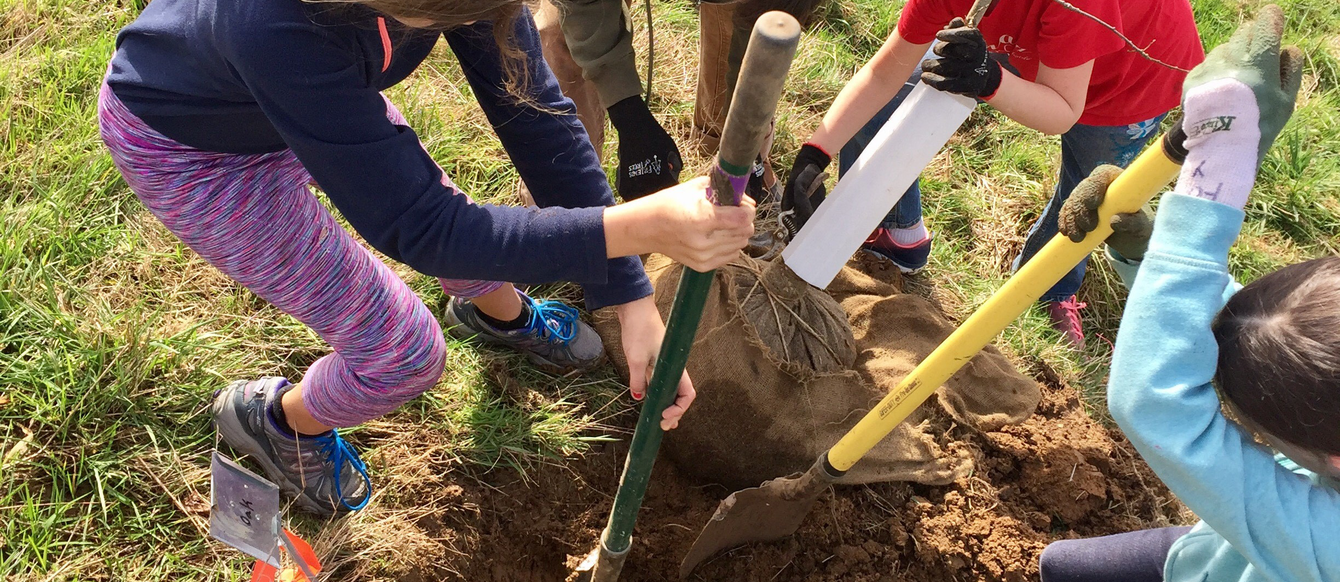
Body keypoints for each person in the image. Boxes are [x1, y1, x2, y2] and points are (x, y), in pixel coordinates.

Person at [100, 0, 756, 516]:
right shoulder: (271, 24)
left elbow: (533, 113)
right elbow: (422, 228)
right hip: (197, 153)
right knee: (403, 355)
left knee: (470, 232)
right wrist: (636, 228)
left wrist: (625, 291)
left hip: (309, 98)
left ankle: (497, 316)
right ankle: (278, 426)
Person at [1039, 8, 1339, 582]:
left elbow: (1158, 406)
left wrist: (1216, 169)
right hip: (1216, 550)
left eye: (1248, 422)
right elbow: (1258, 336)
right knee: (1060, 567)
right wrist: (1152, 255)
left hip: (1242, 555)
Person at [781, 0, 1203, 347]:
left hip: (1129, 80)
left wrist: (990, 78)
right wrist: (816, 153)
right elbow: (884, 73)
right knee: (913, 84)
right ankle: (898, 232)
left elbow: (1062, 111)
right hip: (1024, 42)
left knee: (1086, 197)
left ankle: (1048, 287)